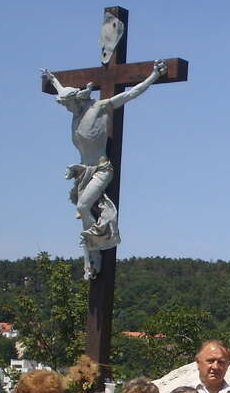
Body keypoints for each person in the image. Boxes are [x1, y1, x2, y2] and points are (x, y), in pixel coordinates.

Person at [41, 61, 166, 279]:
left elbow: (130, 94)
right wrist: (52, 80)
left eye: (67, 105)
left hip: (101, 170)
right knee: (84, 212)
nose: (67, 109)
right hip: (84, 173)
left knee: (83, 206)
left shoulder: (99, 107)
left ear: (76, 100)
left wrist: (154, 75)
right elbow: (62, 90)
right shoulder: (76, 114)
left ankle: (96, 242)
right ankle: (90, 258)